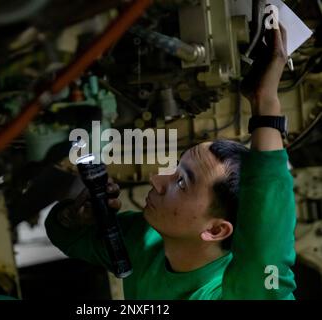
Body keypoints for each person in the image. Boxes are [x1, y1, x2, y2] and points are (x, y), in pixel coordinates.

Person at [45, 24, 297, 300]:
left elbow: (267, 248)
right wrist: (74, 217)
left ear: (215, 230)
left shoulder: (223, 295)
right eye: (175, 170)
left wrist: (266, 104)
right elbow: (67, 236)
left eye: (181, 181)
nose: (156, 179)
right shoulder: (145, 238)